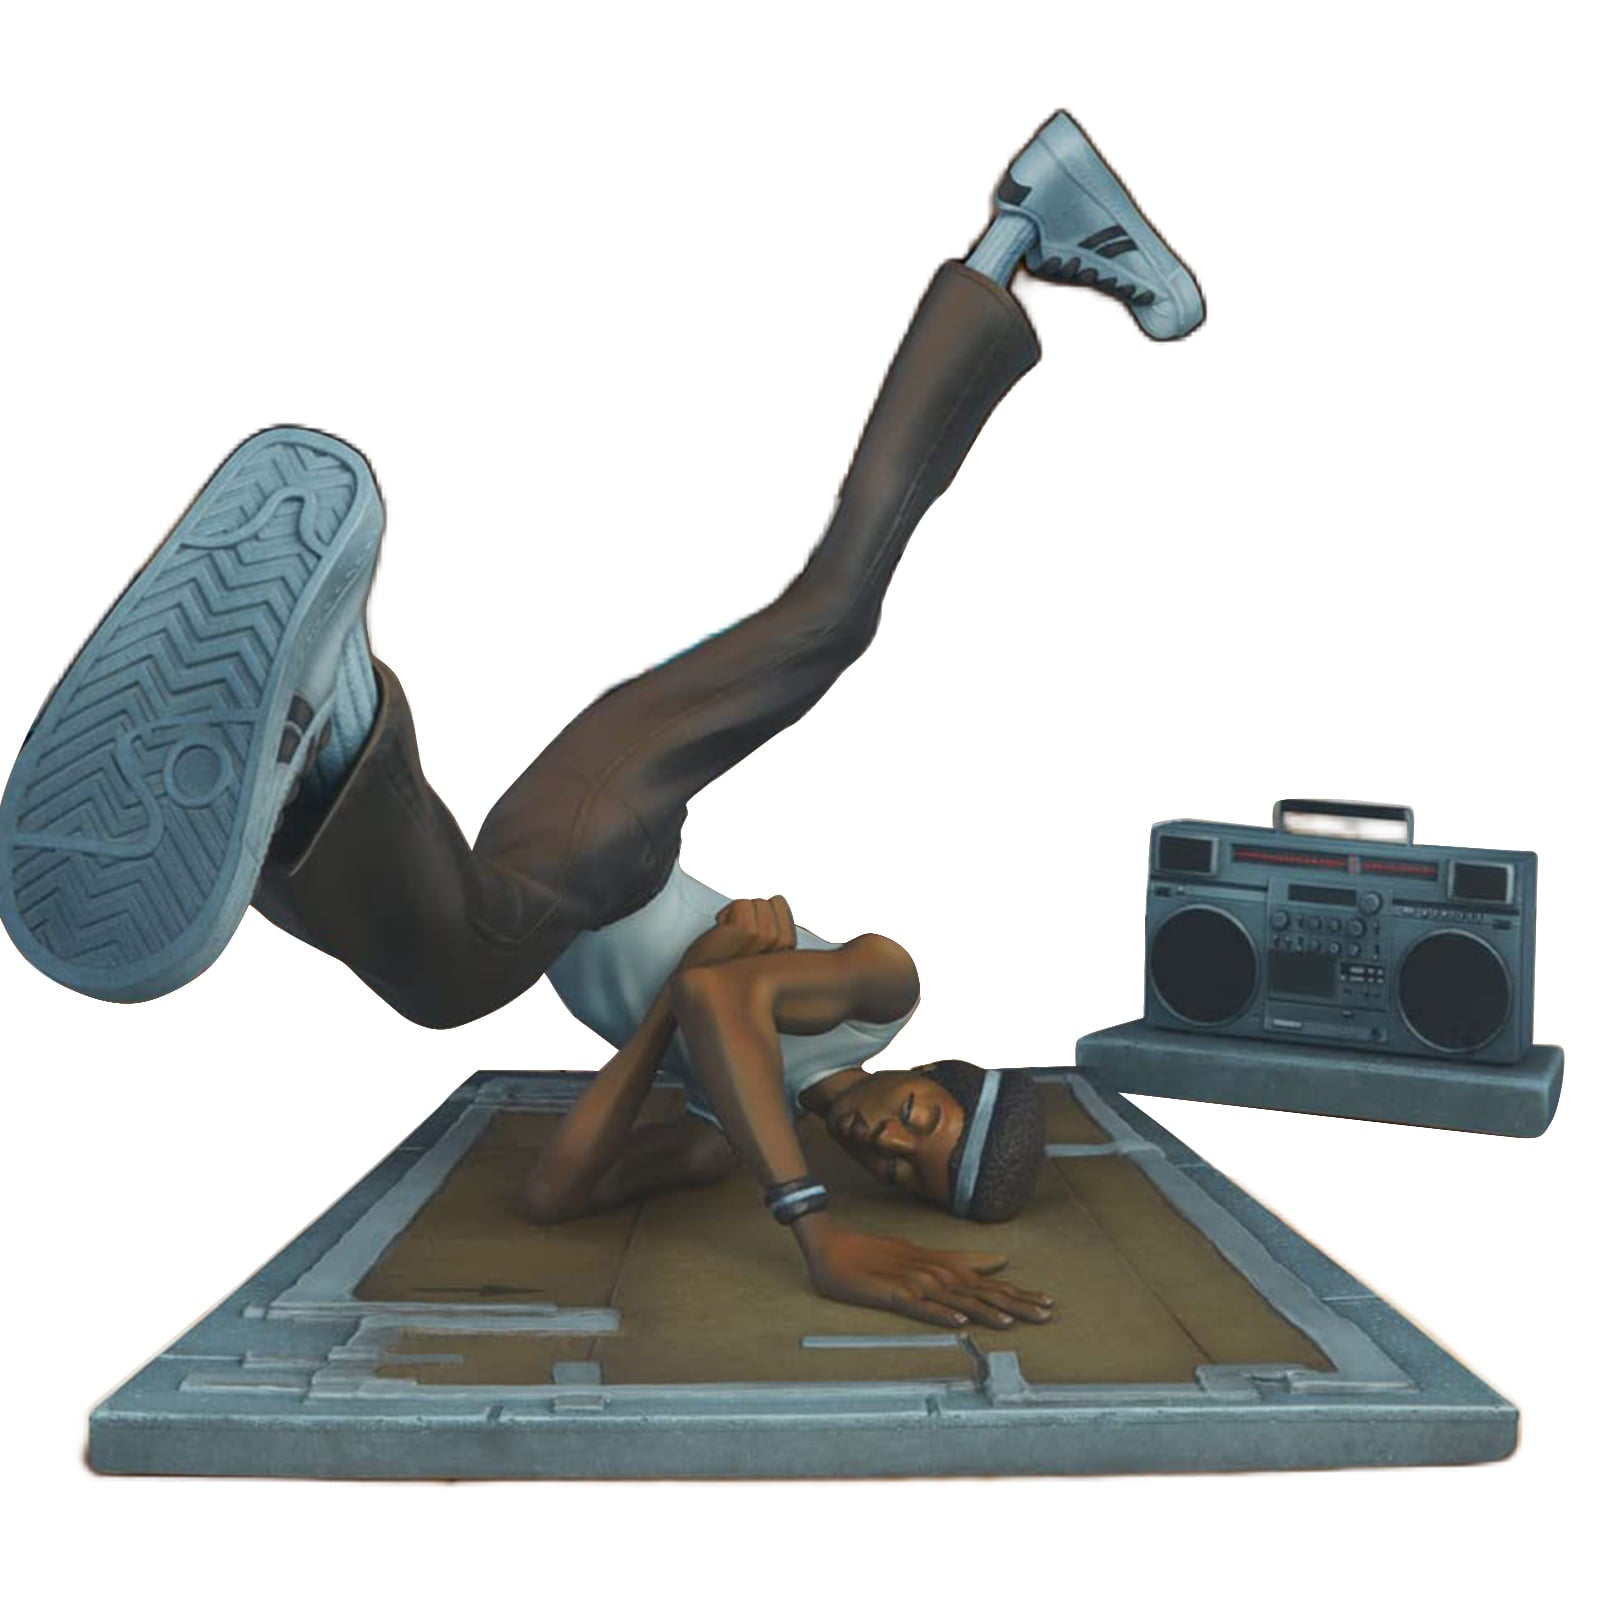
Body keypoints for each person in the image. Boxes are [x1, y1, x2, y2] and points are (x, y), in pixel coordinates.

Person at [0, 110, 1202, 1328]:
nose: (887, 1142)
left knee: (422, 956)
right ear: (934, 1074)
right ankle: (1017, 238)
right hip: (612, 836)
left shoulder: (729, 1130)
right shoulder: (879, 993)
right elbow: (727, 1007)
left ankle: (303, 749)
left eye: (903, 1172)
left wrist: (675, 1024)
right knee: (832, 613)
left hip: (545, 895)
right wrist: (810, 1220)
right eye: (922, 1119)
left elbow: (557, 1190)